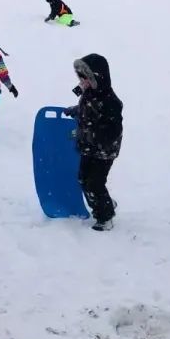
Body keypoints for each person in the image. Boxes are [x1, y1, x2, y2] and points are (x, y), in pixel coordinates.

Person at [64, 53, 123, 232]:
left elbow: (112, 131)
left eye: (86, 78)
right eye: (80, 78)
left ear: (98, 78)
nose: (82, 82)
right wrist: (75, 111)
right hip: (88, 147)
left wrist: (91, 134)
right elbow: (86, 110)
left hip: (104, 151)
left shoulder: (110, 102)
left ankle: (105, 217)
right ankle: (104, 202)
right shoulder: (89, 94)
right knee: (83, 178)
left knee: (94, 183)